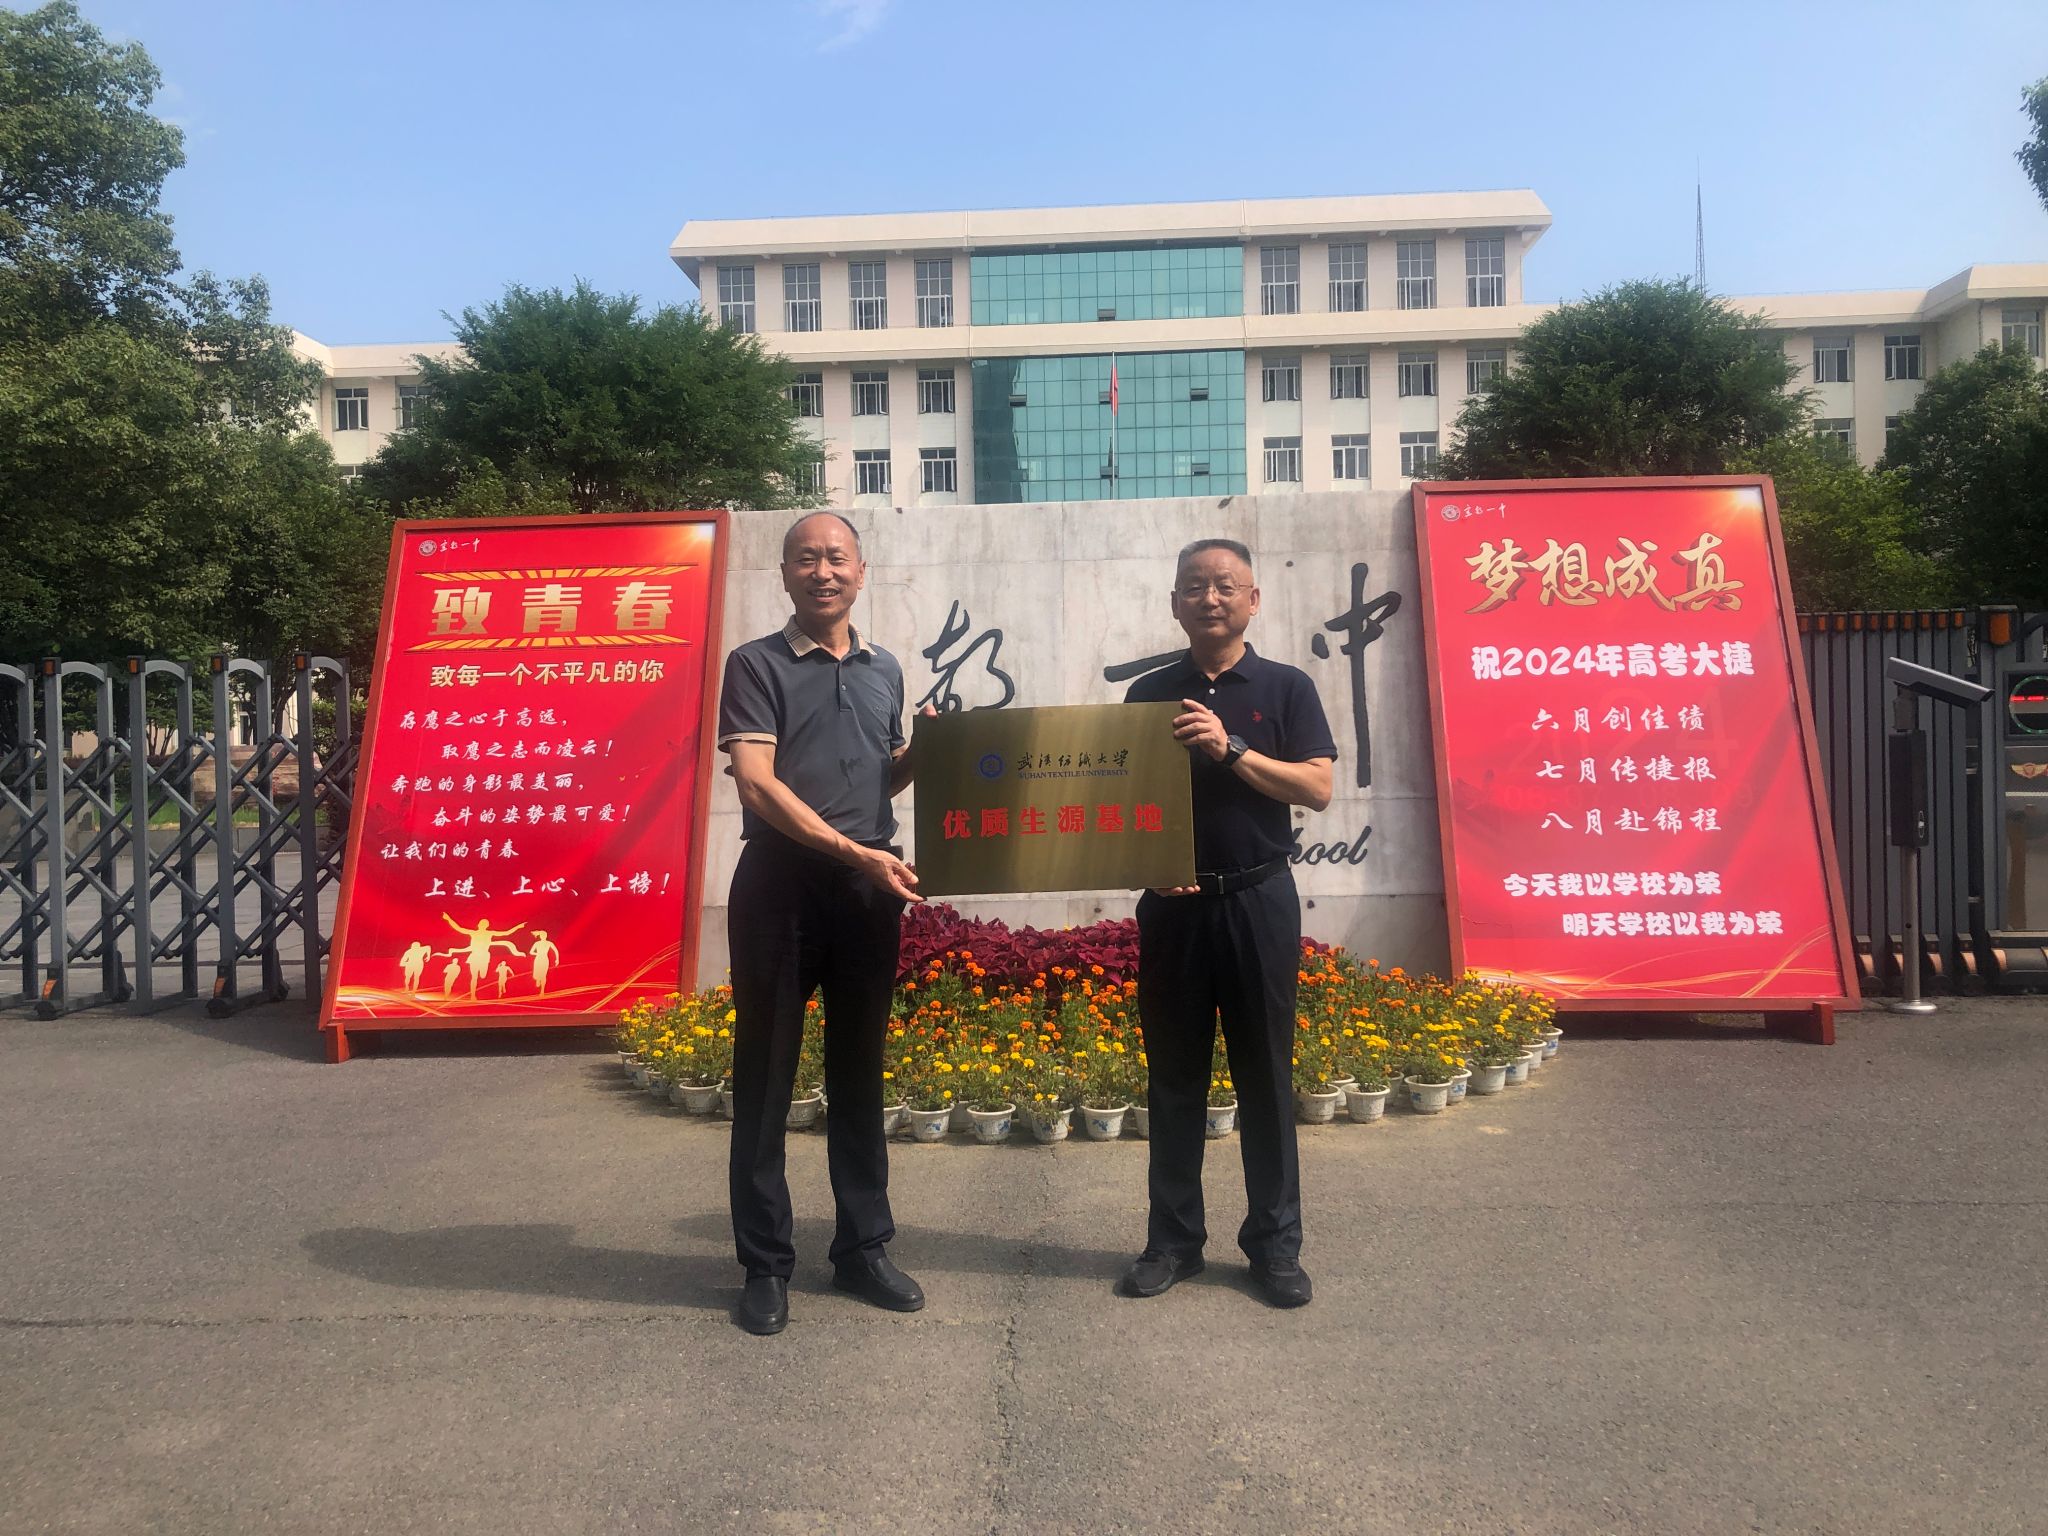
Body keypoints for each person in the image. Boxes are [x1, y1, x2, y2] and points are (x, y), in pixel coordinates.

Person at [717, 511, 930, 1337]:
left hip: (866, 893)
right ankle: (765, 1265)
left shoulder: (885, 670)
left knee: (859, 1071)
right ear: (785, 575)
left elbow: (882, 777)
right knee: (765, 1075)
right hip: (781, 886)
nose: (823, 571)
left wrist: (924, 753)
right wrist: (856, 852)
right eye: (805, 559)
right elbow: (757, 784)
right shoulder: (755, 664)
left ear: (861, 571)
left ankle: (862, 1249)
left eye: (836, 557)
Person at [1119, 537, 1336, 1309]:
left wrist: (1231, 746)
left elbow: (1316, 787)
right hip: (1173, 908)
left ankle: (1275, 1248)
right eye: (1194, 586)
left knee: (1265, 1077)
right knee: (1174, 1078)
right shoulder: (1147, 694)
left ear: (1252, 600)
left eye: (1224, 585)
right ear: (1174, 603)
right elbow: (1122, 800)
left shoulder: (1285, 688)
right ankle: (1173, 1243)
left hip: (1258, 900)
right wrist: (1139, 861)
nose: (1209, 598)